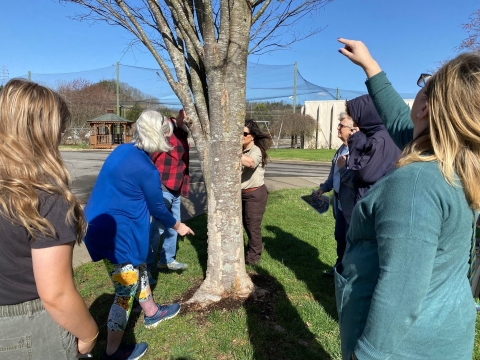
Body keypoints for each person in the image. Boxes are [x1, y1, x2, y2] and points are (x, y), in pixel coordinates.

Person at [335, 38, 480, 360]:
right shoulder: (456, 160)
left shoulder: (416, 185)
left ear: (426, 106)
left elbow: (400, 290)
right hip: (439, 332)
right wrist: (371, 67)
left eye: (425, 83)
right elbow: (402, 122)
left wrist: (368, 355)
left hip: (401, 347)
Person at [84, 110, 194, 360]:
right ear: (161, 137)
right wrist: (178, 226)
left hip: (100, 224)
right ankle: (112, 352)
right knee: (125, 291)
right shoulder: (148, 170)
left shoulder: (122, 150)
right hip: (114, 234)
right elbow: (158, 208)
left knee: (139, 268)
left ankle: (152, 312)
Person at [0, 79, 98, 359]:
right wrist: (89, 334)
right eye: (61, 129)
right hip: (27, 328)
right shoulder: (44, 197)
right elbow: (56, 294)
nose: (63, 136)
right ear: (44, 131)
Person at [147, 109, 190, 279]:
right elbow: (150, 156)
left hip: (176, 186)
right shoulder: (166, 129)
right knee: (156, 229)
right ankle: (147, 269)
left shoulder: (182, 132)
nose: (190, 126)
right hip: (162, 185)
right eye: (188, 121)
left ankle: (166, 260)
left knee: (174, 226)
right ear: (181, 115)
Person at [318, 112, 358, 276]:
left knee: (351, 240)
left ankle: (349, 274)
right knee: (339, 236)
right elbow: (333, 175)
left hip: (351, 205)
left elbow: (356, 182)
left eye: (341, 125)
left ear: (353, 129)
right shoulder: (340, 149)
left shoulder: (358, 152)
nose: (338, 128)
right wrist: (324, 187)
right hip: (338, 203)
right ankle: (339, 268)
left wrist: (343, 167)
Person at [345, 94, 401, 203]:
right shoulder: (382, 134)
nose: (355, 123)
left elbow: (365, 173)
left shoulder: (379, 139)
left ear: (366, 115)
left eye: (356, 117)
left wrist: (356, 138)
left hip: (372, 203)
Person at [241, 119, 272, 265]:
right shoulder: (240, 149)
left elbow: (250, 163)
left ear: (252, 136)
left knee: (252, 225)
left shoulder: (256, 150)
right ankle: (253, 248)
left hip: (254, 194)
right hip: (240, 194)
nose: (240, 136)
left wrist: (231, 153)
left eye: (244, 133)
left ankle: (254, 256)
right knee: (244, 224)